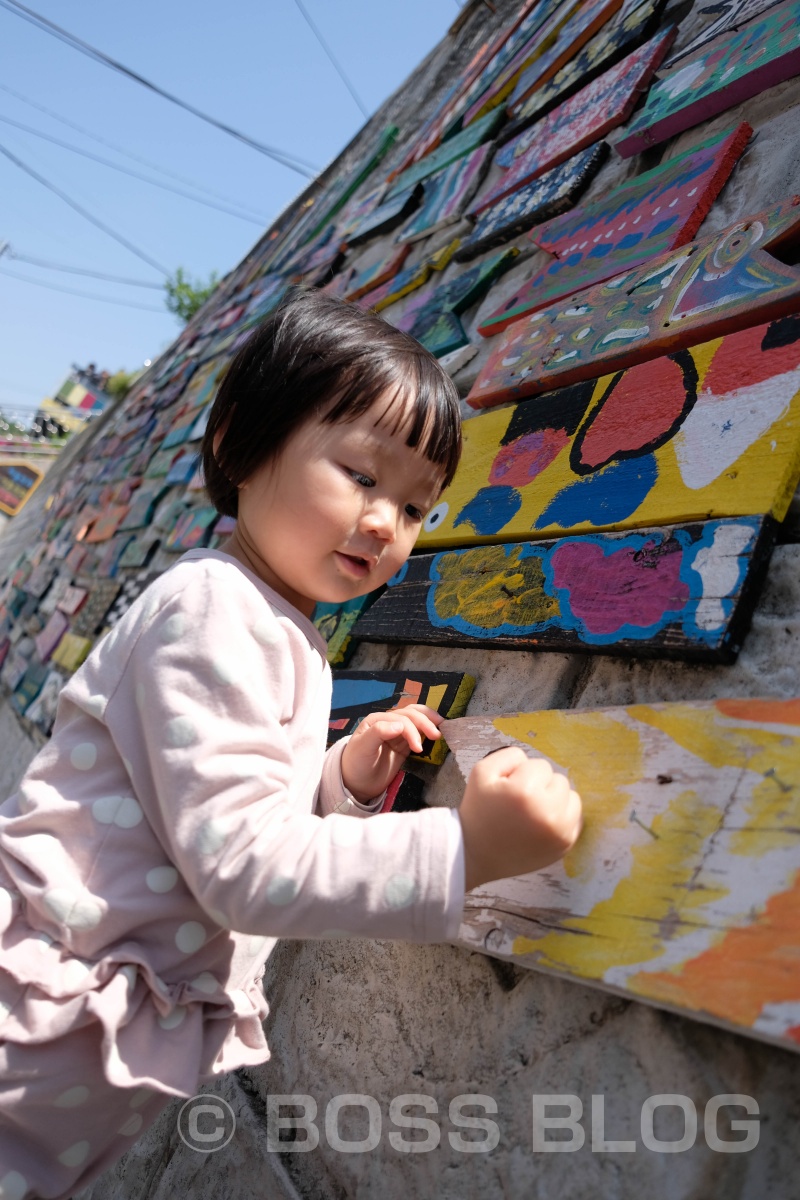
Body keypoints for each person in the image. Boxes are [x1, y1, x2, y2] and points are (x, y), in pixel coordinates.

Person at [0, 287, 582, 1197]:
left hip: (77, 1048)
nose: (388, 522)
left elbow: (217, 807)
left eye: (417, 507)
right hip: (36, 1021)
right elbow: (241, 866)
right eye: (361, 476)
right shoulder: (210, 612)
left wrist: (340, 778)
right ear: (241, 440)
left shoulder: (266, 620)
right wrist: (466, 850)